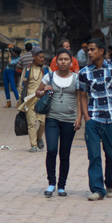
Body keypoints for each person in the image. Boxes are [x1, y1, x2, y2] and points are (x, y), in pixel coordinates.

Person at [76, 39, 112, 201]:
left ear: (101, 51)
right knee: (94, 155)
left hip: (111, 119)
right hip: (93, 120)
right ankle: (97, 189)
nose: (89, 52)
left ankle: (110, 184)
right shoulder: (84, 72)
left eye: (92, 49)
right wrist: (86, 117)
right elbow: (82, 95)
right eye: (88, 50)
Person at [34, 48, 79, 197]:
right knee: (52, 150)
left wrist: (79, 118)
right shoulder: (50, 76)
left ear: (71, 62)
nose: (63, 62)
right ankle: (51, 183)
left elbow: (81, 99)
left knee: (64, 154)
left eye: (66, 59)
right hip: (52, 119)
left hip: (69, 120)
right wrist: (44, 90)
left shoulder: (76, 78)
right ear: (56, 61)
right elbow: (37, 93)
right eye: (60, 59)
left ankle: (61, 186)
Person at [18, 47, 48, 151]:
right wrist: (20, 100)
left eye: (43, 57)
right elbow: (21, 86)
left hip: (43, 100)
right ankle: (33, 145)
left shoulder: (46, 70)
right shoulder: (27, 70)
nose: (42, 59)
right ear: (34, 57)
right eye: (40, 57)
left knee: (43, 123)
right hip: (29, 100)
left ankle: (39, 138)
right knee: (31, 123)